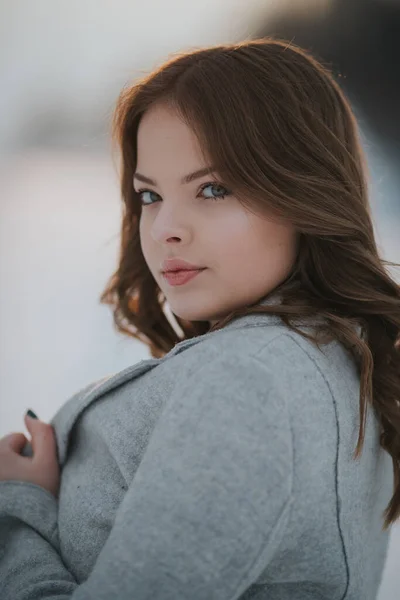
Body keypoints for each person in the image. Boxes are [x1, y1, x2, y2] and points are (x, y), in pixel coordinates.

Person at [1, 37, 399, 600]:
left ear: (305, 191)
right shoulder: (337, 356)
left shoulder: (251, 380)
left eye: (213, 188)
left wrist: (21, 511)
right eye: (149, 195)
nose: (166, 229)